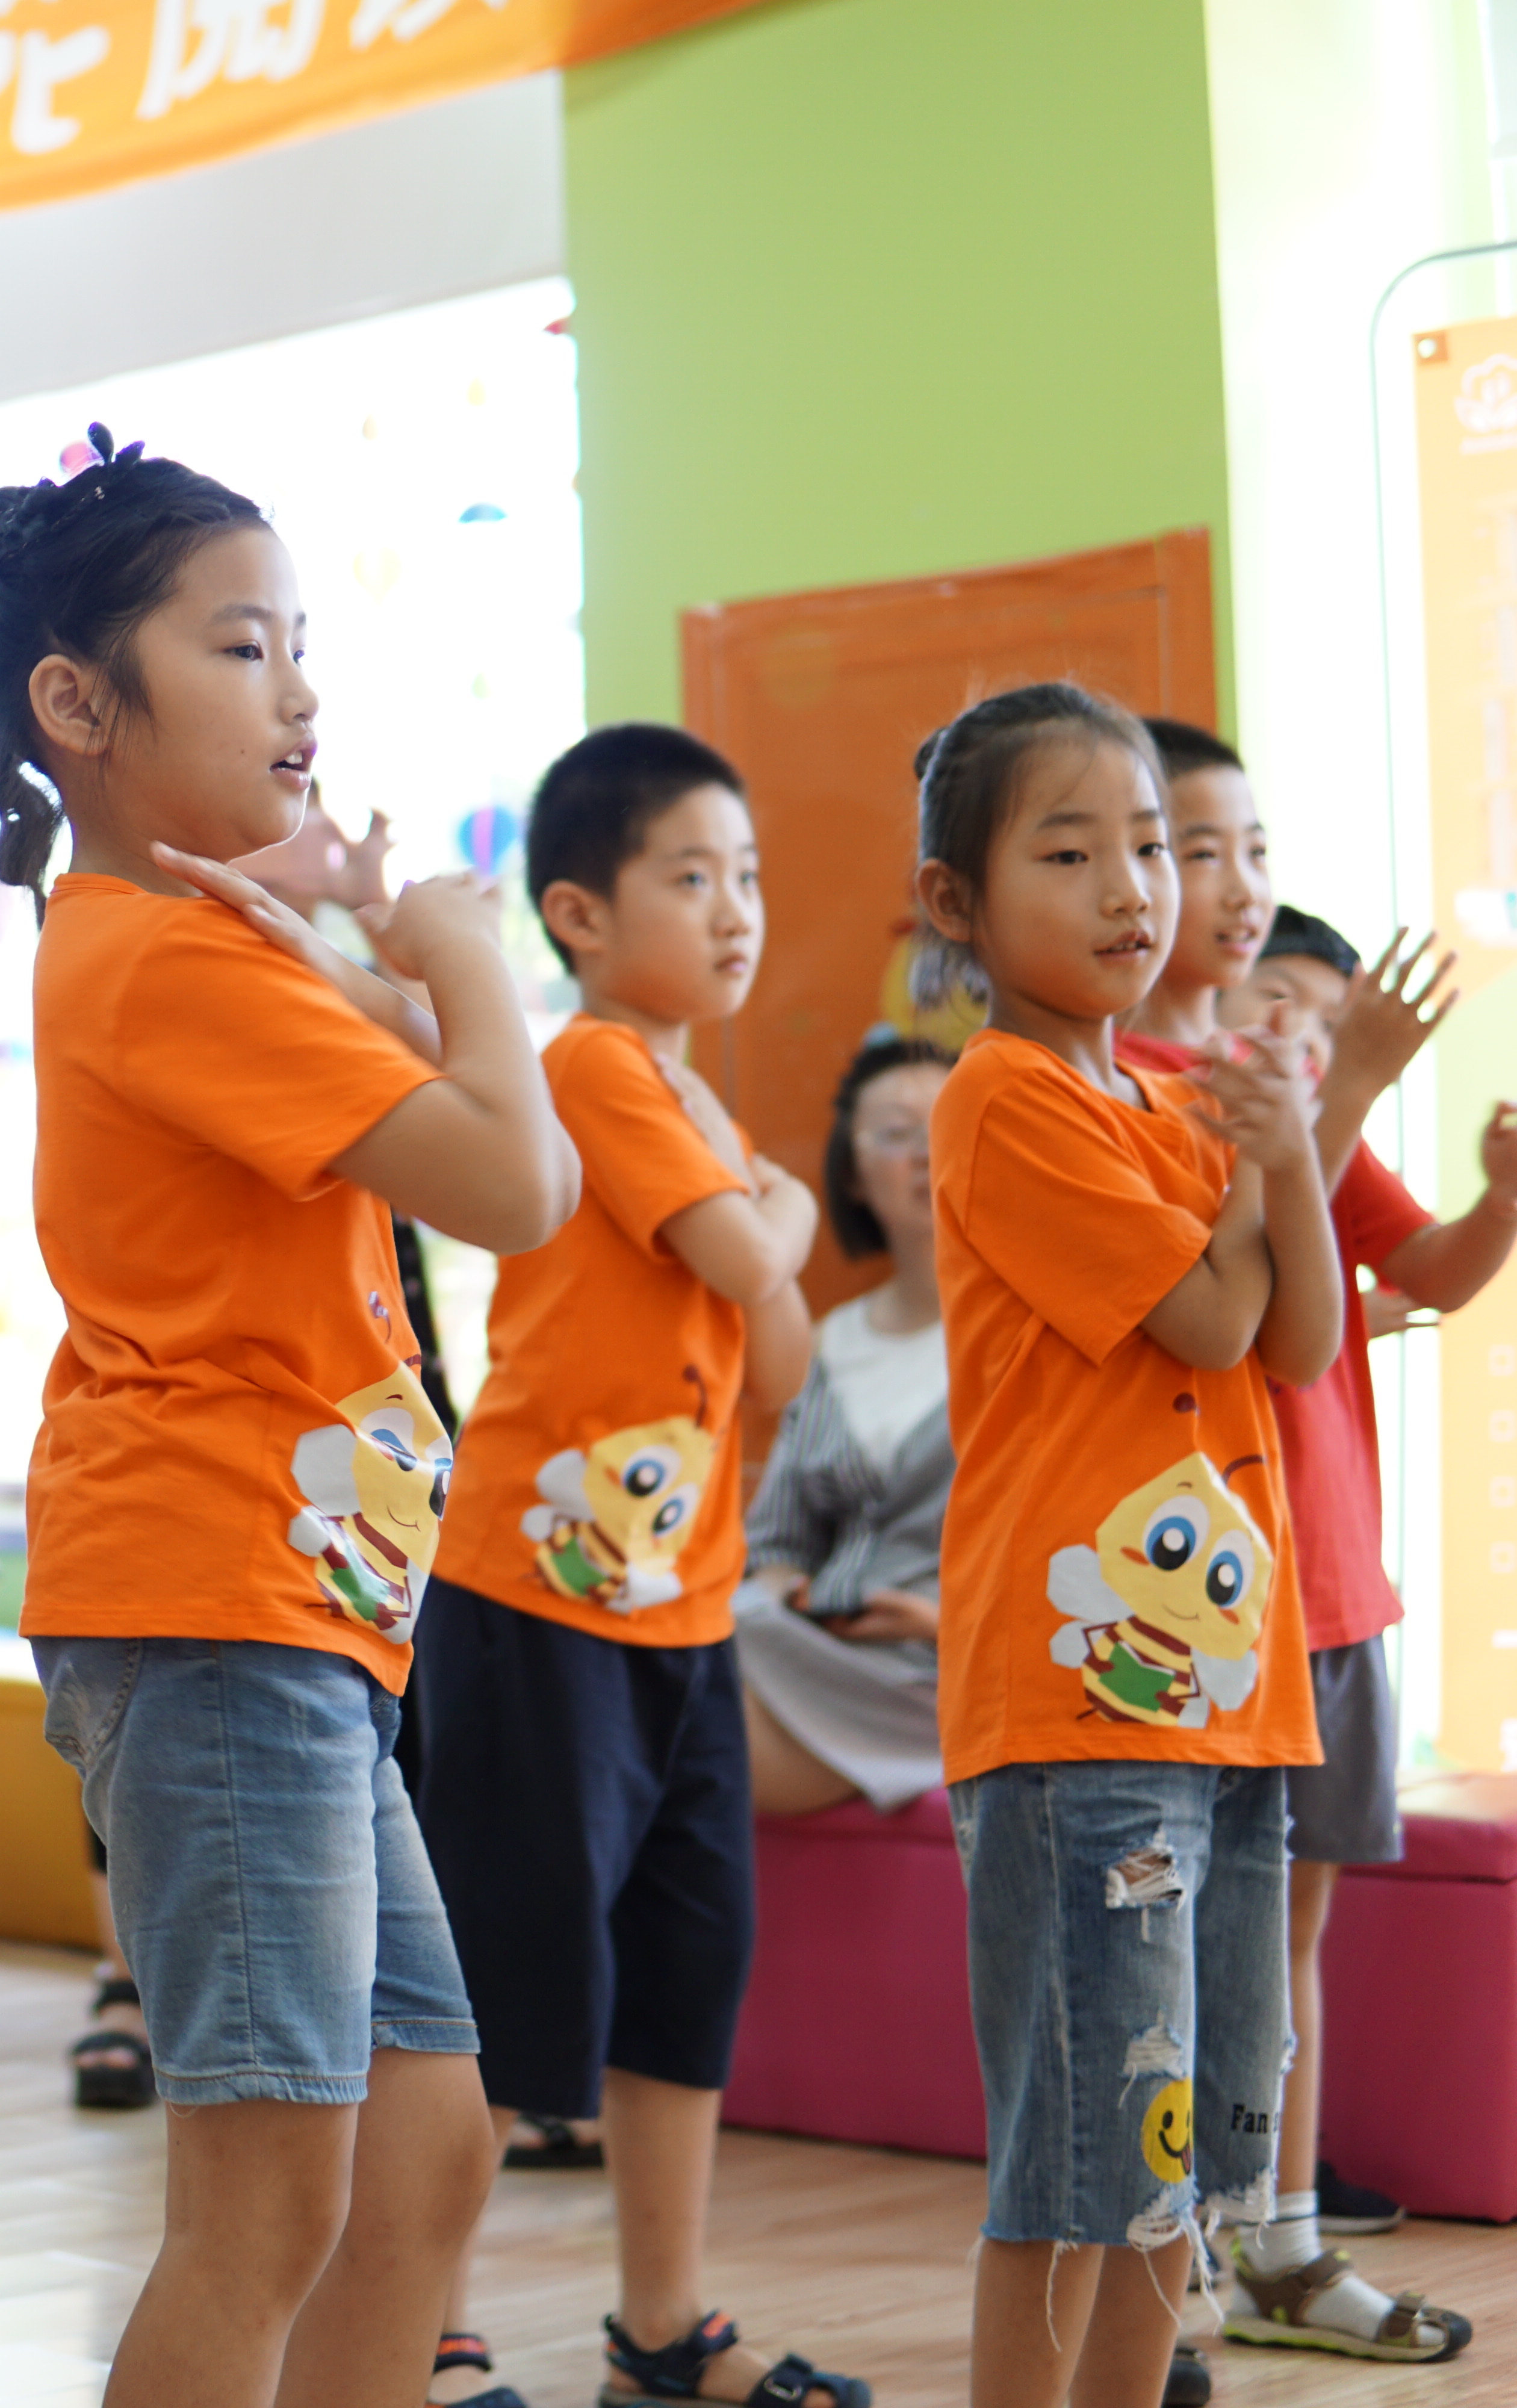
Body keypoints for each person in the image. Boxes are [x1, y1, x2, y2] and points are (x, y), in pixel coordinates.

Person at [0, 427, 576, 2407]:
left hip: (289, 1608)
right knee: (268, 2200)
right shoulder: (157, 959)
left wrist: (386, 969)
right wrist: (458, 948)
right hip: (215, 1605)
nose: (297, 690)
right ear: (76, 706)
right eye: (238, 646)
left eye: (300, 644)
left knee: (426, 2151)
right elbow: (518, 1181)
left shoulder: (198, 946)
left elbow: (453, 1102)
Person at [910, 684, 1339, 2408]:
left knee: (1181, 2149)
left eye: (1150, 847)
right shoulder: (1004, 1098)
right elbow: (1216, 1320)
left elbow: (1304, 1338)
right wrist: (1260, 1160)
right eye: (1069, 852)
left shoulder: (1170, 1106)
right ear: (956, 903)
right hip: (1080, 1713)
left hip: (1223, 1706)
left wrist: (1287, 1149)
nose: (1130, 890)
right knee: (1082, 2150)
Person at [414, 725, 846, 2408]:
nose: (736, 909)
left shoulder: (694, 1097)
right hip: (533, 1598)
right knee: (507, 1974)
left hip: (681, 1604)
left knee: (685, 1965)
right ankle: (432, 2332)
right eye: (692, 875)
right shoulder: (594, 1063)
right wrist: (781, 1211)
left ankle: (663, 2334)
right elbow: (756, 1261)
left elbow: (781, 1359)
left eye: (748, 875)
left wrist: (767, 1219)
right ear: (581, 915)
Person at [1134, 854, 1491, 2366]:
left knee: (1291, 1932)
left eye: (1244, 850)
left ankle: (1279, 2234)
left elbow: (1430, 1270)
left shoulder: (1297, 1110)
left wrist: (1501, 1195)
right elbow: (1236, 1302)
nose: (1305, 1030)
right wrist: (1338, 1086)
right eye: (1193, 849)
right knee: (1180, 1935)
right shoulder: (1175, 1098)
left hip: (1337, 1587)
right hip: (1217, 1601)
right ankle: (1179, 2242)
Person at [735, 1035, 955, 1819]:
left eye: (948, 1125)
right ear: (855, 1175)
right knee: (670, 1644)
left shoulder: (1036, 1338)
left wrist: (944, 1623)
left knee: (671, 1715)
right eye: (896, 1133)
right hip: (816, 1647)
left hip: (953, 1669)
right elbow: (778, 1541)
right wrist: (788, 1592)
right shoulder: (830, 1342)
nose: (925, 1153)